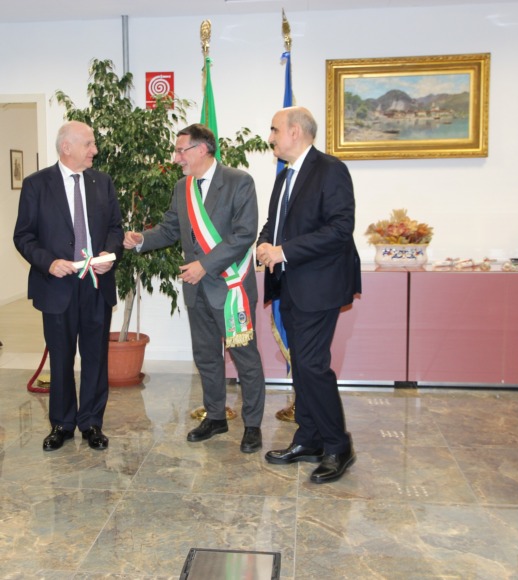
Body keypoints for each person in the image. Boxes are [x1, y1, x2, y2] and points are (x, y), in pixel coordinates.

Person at [123, 123, 265, 453]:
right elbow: (170, 229)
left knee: (245, 358)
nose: (176, 158)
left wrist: (205, 265)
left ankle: (253, 425)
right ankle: (215, 417)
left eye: (180, 151)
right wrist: (142, 239)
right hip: (196, 290)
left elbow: (245, 235)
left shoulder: (239, 181)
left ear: (201, 149)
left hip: (230, 288)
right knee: (205, 357)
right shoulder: (182, 187)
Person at [256, 106, 361, 484]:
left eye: (274, 130)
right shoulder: (285, 175)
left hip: (320, 285)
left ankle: (338, 445)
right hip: (290, 286)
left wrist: (283, 251)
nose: (270, 137)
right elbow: (275, 224)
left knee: (313, 366)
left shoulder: (330, 169)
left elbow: (340, 228)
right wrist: (263, 244)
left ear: (295, 132)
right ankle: (309, 438)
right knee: (301, 365)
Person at [14, 120, 124, 451]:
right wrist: (48, 262)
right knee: (61, 358)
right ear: (67, 147)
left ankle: (91, 422)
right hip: (56, 286)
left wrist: (109, 253)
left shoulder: (102, 182)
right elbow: (24, 236)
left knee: (95, 357)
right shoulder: (36, 185)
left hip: (96, 284)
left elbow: (116, 228)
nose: (95, 150)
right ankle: (62, 424)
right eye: (89, 144)